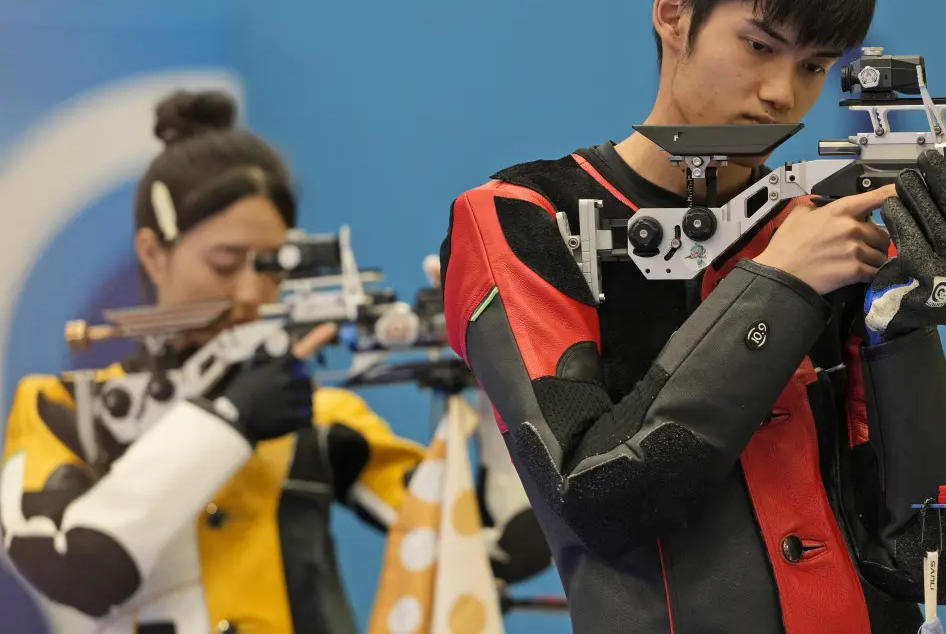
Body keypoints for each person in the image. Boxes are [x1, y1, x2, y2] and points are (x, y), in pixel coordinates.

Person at [439, 0, 946, 634]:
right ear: (673, 13)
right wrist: (780, 283)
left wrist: (908, 326)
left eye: (814, 66)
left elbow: (944, 562)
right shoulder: (522, 218)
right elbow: (594, 497)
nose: (782, 95)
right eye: (760, 46)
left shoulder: (823, 224)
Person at [0, 91, 550, 633]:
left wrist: (498, 384)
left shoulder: (318, 414)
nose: (248, 293)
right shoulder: (62, 409)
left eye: (269, 267)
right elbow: (78, 567)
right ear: (152, 252)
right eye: (223, 263)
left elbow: (499, 544)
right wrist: (228, 422)